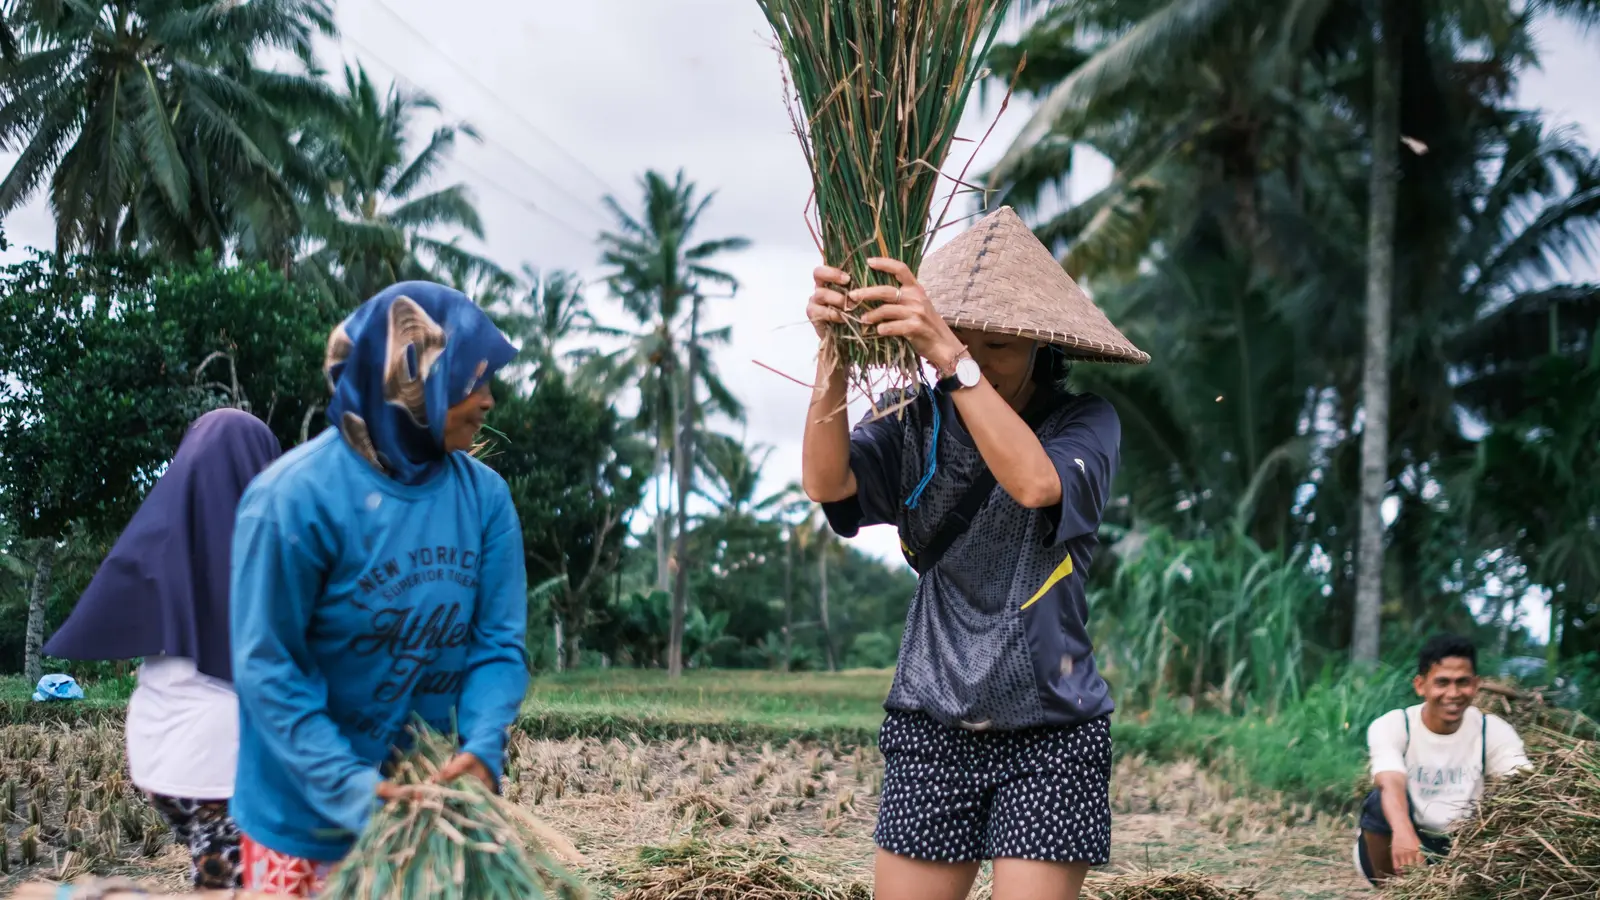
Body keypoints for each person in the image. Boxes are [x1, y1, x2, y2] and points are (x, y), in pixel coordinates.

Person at [801, 207, 1149, 900]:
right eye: (965, 338)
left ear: (1042, 349)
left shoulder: (1084, 423)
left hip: (1051, 733)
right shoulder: (911, 419)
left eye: (1001, 346)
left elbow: (1034, 483)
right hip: (931, 723)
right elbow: (826, 483)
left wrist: (955, 364)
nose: (981, 357)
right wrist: (833, 352)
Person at [228, 282, 528, 896]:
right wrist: (350, 787)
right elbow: (269, 667)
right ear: (410, 381)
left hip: (429, 818)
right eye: (471, 382)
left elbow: (497, 645)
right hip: (303, 824)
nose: (488, 400)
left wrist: (481, 746)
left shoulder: (485, 500)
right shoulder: (292, 501)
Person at [43, 408, 283, 889]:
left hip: (160, 758)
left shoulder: (158, 536)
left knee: (220, 877)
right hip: (224, 762)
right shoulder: (266, 546)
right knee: (241, 888)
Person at [1356, 634, 1530, 884]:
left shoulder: (1491, 730)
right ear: (1420, 685)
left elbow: (1521, 786)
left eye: (1463, 682)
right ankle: (1390, 891)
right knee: (1377, 802)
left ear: (1476, 685)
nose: (1453, 693)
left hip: (1462, 847)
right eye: (1442, 682)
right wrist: (1404, 833)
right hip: (1402, 841)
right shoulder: (1396, 725)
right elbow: (1390, 780)